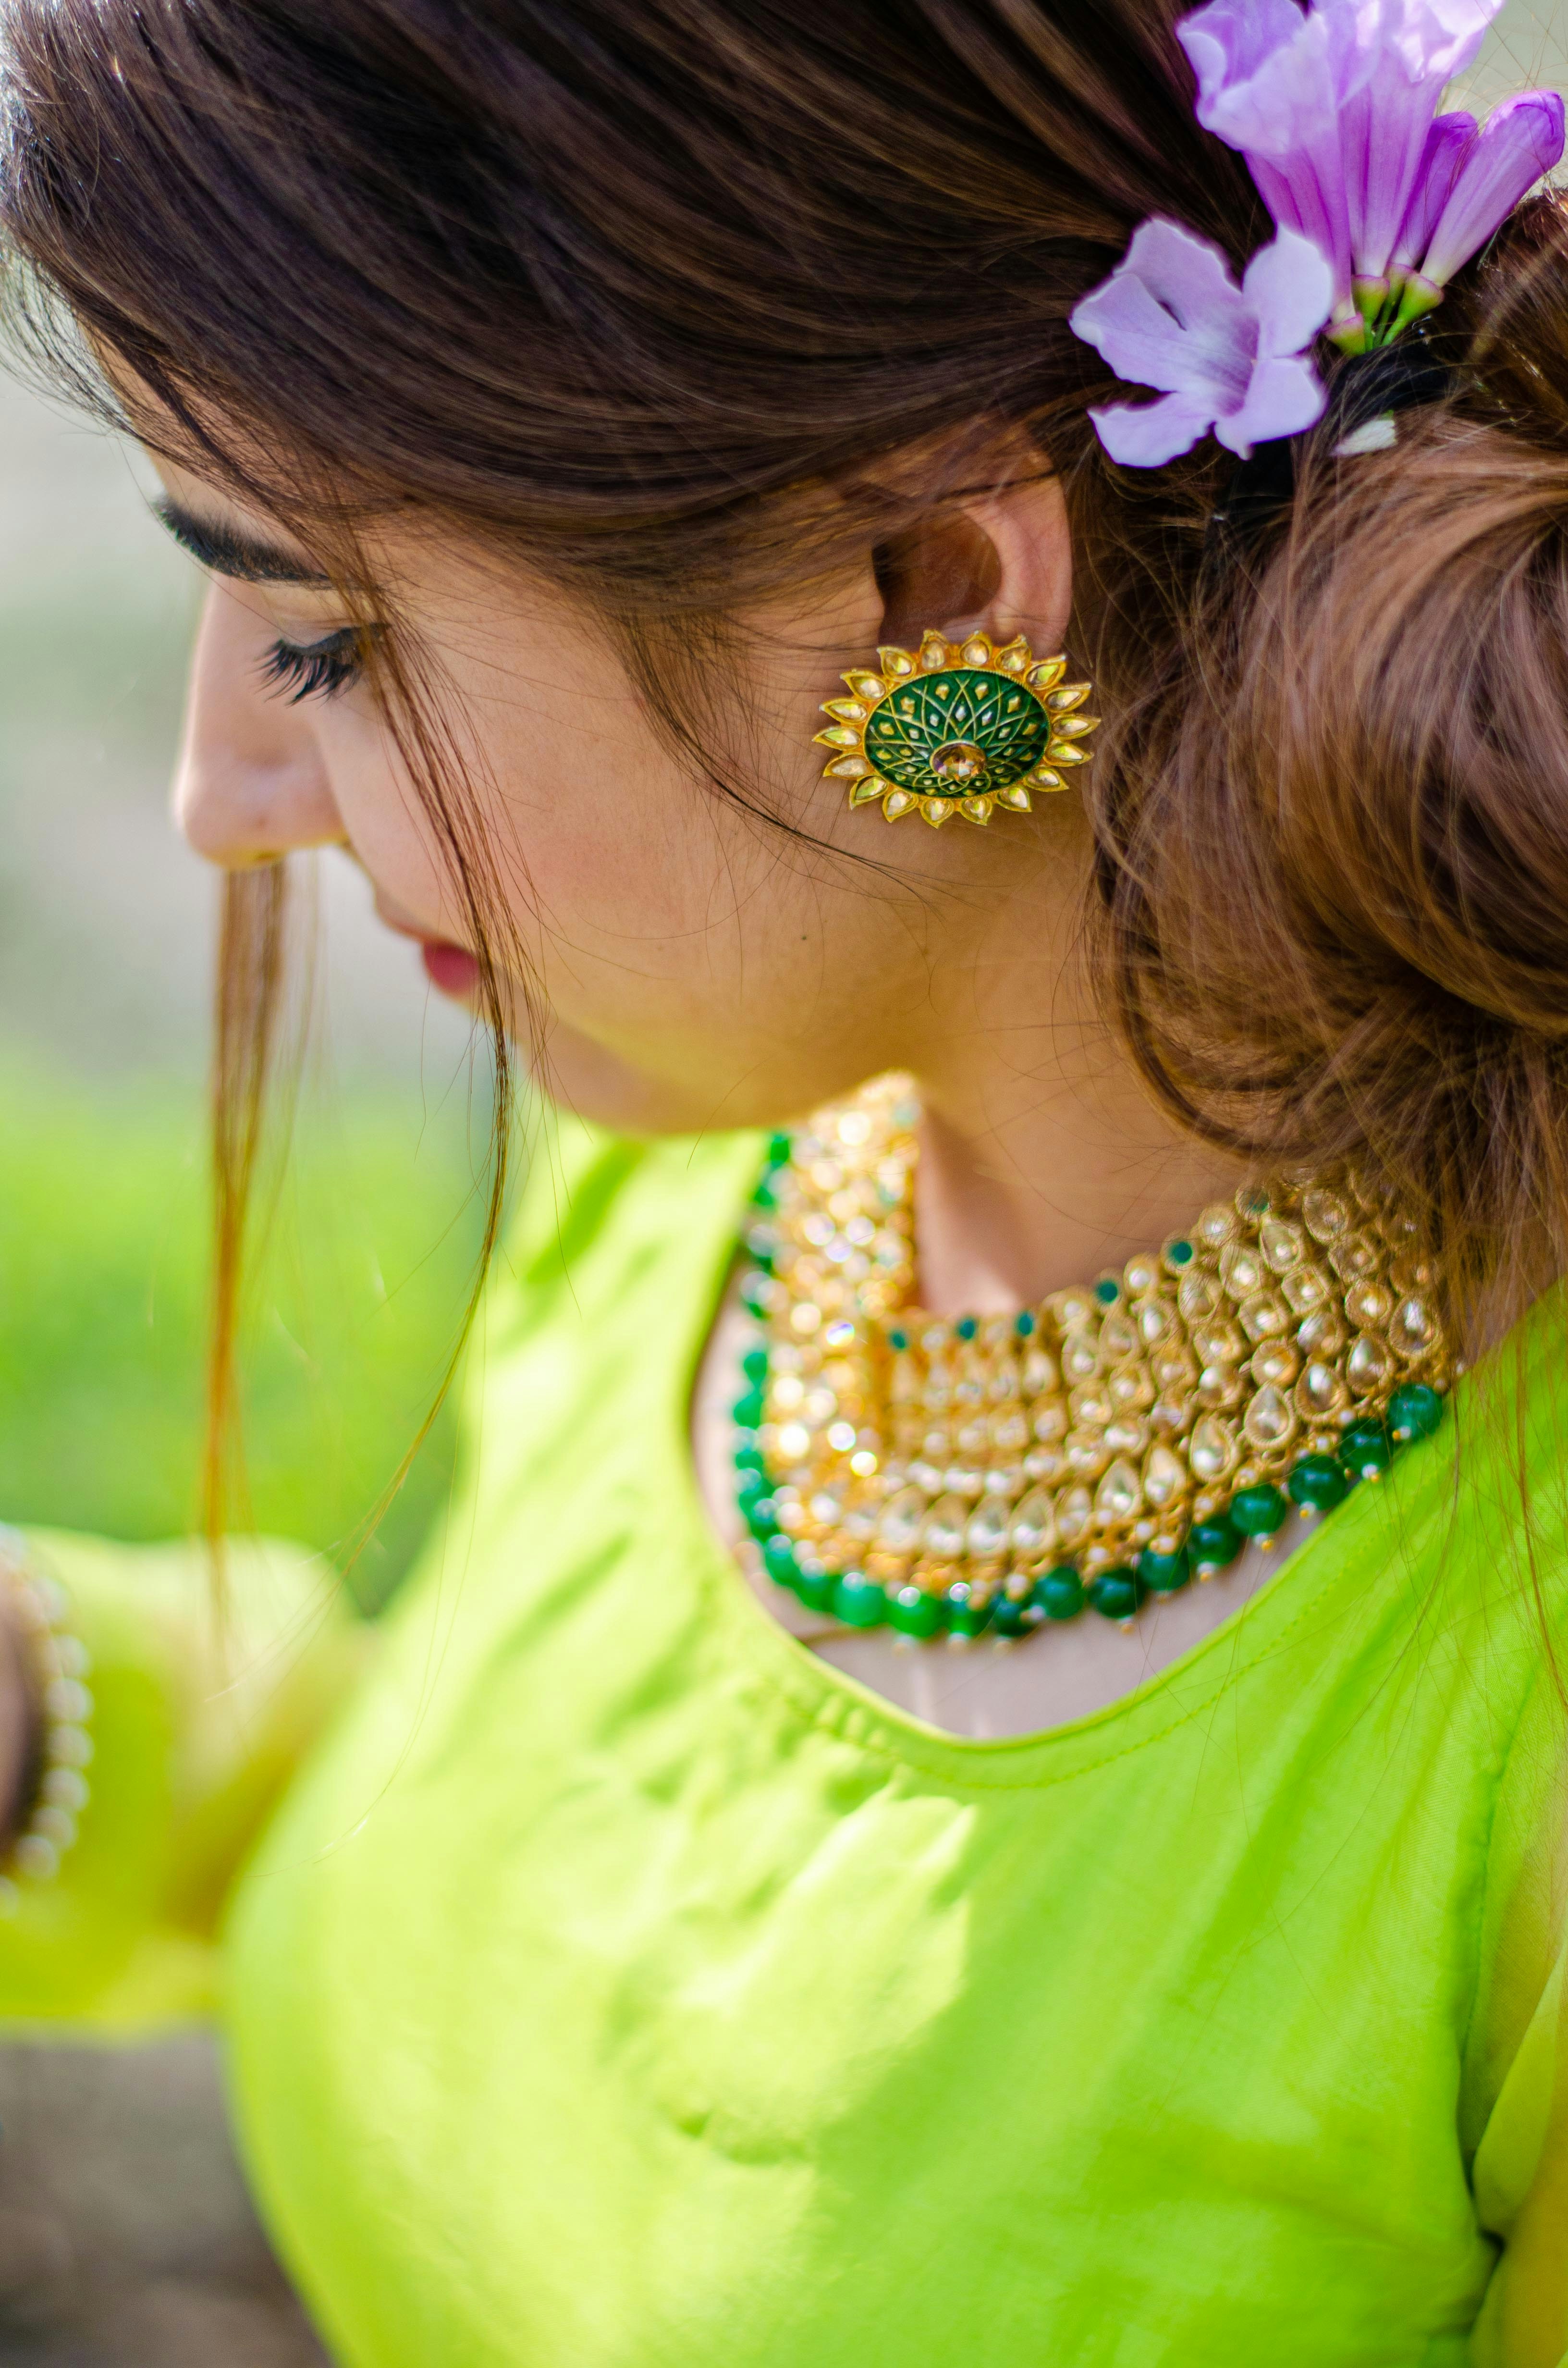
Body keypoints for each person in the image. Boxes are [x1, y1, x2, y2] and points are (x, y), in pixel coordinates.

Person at [0, 0, 1563, 2357]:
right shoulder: (732, 1156)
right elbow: (561, 1888)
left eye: (325, 632)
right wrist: (40, 1713)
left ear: (935, 586)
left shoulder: (1507, 1730)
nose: (228, 792)